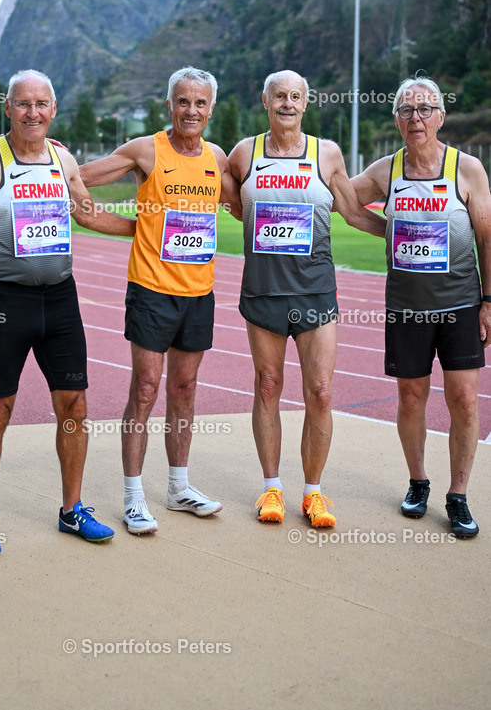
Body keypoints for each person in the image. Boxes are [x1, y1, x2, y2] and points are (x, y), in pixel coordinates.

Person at [0, 70, 136, 555]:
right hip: (4, 303)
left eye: (41, 104)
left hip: (61, 301)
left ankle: (72, 509)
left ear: (54, 109)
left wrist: (140, 230)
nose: (33, 112)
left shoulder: (62, 159)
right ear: (8, 108)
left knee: (75, 407)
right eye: (23, 103)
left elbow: (87, 212)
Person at [80, 65, 239, 535]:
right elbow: (76, 182)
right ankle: (133, 498)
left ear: (211, 109)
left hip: (198, 293)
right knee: (145, 391)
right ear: (168, 106)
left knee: (184, 392)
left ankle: (178, 488)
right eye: (183, 102)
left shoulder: (216, 156)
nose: (192, 110)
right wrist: (134, 228)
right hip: (151, 290)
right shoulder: (146, 150)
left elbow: (243, 207)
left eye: (200, 103)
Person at [228, 70, 386, 529]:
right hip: (263, 291)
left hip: (316, 290)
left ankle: (314, 493)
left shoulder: (327, 153)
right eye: (280, 96)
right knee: (267, 387)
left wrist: (399, 235)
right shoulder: (245, 153)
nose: (288, 104)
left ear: (306, 102)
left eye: (296, 96)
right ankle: (271, 488)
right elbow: (227, 197)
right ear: (265, 100)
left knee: (320, 392)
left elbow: (354, 212)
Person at [352, 76, 491, 538]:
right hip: (407, 307)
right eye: (407, 110)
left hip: (461, 306)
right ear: (396, 119)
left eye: (424, 109)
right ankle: (417, 483)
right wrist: (385, 229)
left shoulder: (466, 169)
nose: (416, 118)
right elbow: (342, 199)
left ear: (441, 117)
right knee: (411, 398)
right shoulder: (386, 170)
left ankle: (458, 496)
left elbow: (487, 239)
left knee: (464, 401)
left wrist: (488, 302)